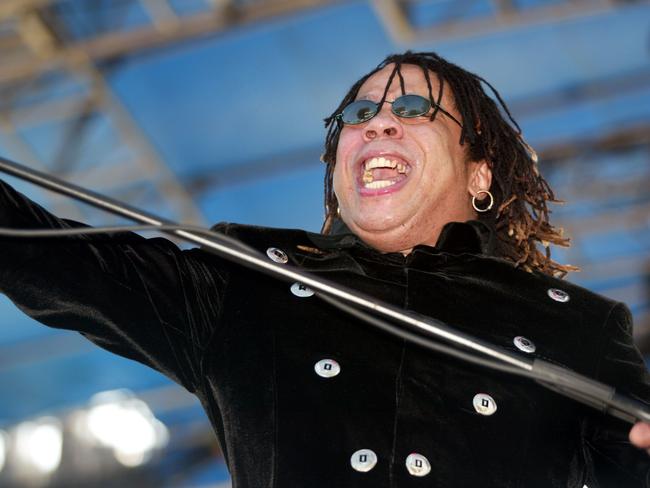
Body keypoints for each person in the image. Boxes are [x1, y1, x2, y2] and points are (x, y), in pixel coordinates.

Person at [0, 50, 649, 487]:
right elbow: (49, 258)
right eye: (359, 116)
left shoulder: (578, 328)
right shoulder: (249, 285)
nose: (380, 125)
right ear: (338, 171)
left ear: (478, 171)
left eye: (416, 111)